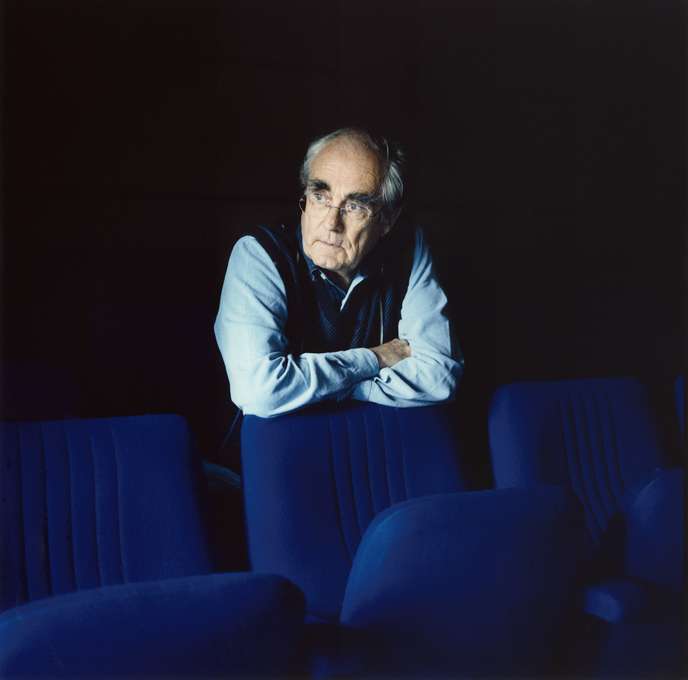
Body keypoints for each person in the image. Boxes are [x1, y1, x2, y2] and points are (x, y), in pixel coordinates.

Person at [214, 128, 463, 418]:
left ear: (387, 219)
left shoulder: (408, 247)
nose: (331, 223)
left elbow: (440, 378)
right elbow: (259, 391)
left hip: (381, 441)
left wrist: (314, 387)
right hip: (279, 442)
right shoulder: (260, 254)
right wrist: (374, 358)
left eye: (354, 206)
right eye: (320, 197)